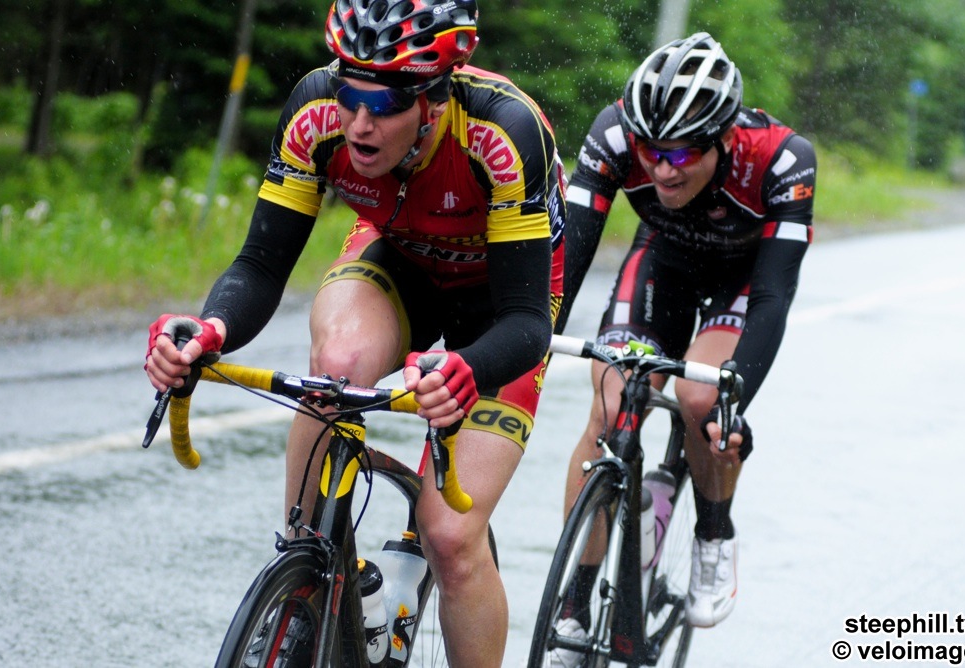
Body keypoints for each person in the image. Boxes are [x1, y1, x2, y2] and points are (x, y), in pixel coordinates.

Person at [144, 1, 566, 665]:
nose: (360, 123)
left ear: (433, 99)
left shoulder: (502, 130)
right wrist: (209, 329)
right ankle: (305, 578)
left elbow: (526, 322)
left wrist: (468, 368)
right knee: (336, 364)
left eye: (386, 103)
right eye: (350, 93)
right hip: (399, 259)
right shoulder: (315, 111)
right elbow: (261, 265)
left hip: (500, 303)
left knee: (450, 537)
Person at [552, 31, 816, 645]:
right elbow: (569, 257)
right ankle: (574, 601)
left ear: (724, 139)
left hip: (742, 280)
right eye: (650, 151)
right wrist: (533, 331)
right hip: (664, 261)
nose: (661, 168)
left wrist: (734, 399)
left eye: (681, 154)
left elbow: (773, 297)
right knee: (611, 407)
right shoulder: (615, 135)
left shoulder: (783, 160)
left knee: (701, 400)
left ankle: (713, 533)